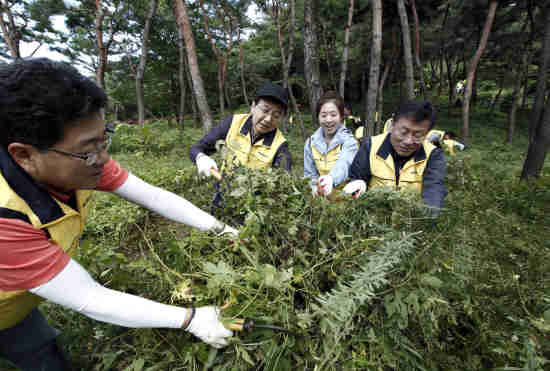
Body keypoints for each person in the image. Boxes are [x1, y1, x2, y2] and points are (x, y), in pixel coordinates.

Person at [0, 58, 236, 370]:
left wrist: (220, 229)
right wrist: (191, 318)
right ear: (24, 154)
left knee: (43, 355)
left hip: (18, 304)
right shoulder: (6, 218)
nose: (103, 158)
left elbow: (152, 196)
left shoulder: (80, 162)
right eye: (89, 150)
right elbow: (90, 298)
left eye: (104, 138)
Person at [343, 100, 447, 212]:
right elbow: (356, 179)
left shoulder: (433, 156)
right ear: (392, 125)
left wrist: (426, 219)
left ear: (427, 134)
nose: (408, 141)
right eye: (403, 132)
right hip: (373, 220)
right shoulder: (371, 146)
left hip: (412, 221)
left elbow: (434, 196)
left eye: (417, 135)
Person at [189, 83, 291, 176]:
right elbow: (197, 148)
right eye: (265, 110)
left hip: (254, 195)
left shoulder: (280, 144)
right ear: (253, 107)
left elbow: (284, 178)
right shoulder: (233, 123)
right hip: (225, 186)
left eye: (276, 115)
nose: (268, 119)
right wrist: (200, 158)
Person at [304, 91, 358, 197]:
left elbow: (344, 164)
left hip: (344, 200)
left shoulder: (350, 142)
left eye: (333, 115)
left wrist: (330, 179)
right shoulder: (310, 142)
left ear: (341, 117)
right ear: (318, 117)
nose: (328, 120)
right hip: (320, 202)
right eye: (323, 115)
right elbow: (310, 174)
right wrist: (314, 188)